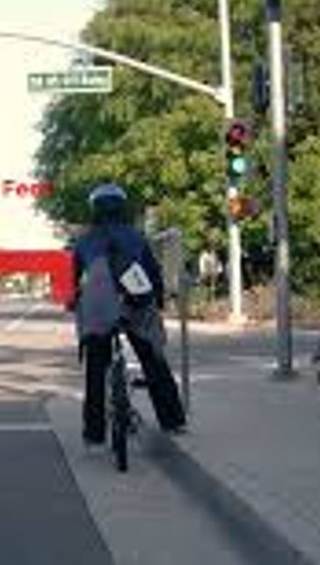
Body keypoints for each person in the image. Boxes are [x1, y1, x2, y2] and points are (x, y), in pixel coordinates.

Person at [70, 183, 186, 444]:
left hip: (98, 307)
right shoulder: (135, 237)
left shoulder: (84, 240)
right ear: (122, 208)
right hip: (135, 303)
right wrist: (158, 300)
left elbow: (75, 280)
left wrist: (76, 301)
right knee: (153, 359)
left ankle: (94, 433)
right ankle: (173, 421)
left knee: (95, 368)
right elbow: (152, 273)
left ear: (94, 210)